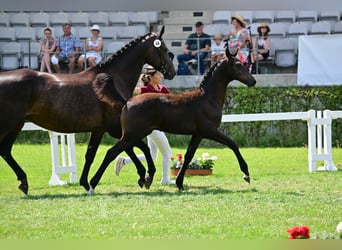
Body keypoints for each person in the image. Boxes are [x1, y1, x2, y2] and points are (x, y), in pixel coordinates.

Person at [115, 66, 174, 185]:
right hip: (151, 127)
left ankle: (124, 161)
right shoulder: (144, 89)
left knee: (152, 156)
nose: (161, 76)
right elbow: (130, 89)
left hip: (159, 125)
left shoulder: (163, 89)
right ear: (151, 77)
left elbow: (172, 101)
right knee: (167, 152)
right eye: (158, 74)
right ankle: (165, 179)